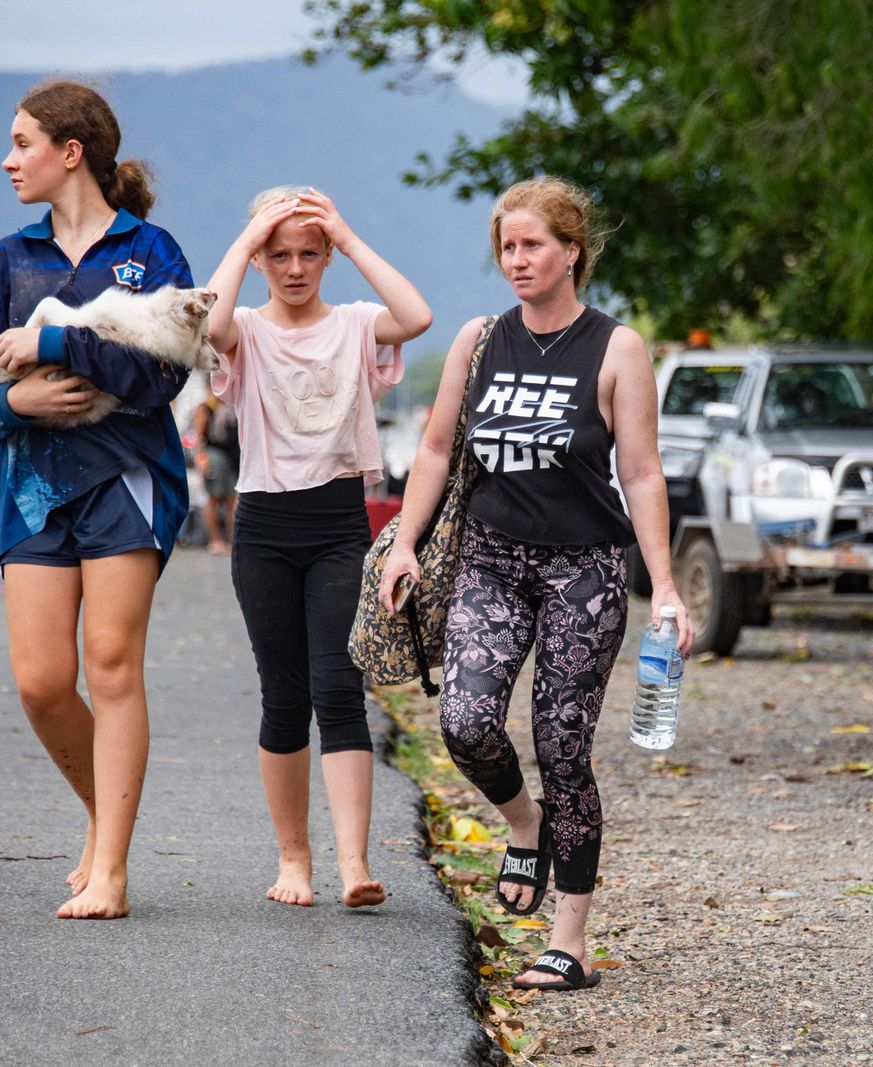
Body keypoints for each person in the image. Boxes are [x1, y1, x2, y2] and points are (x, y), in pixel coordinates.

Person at [378, 177, 692, 991]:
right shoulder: (481, 340)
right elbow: (439, 449)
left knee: (563, 746)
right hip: (491, 559)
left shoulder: (616, 347)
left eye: (533, 246)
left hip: (584, 569)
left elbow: (643, 472)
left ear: (572, 253)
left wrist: (665, 587)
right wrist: (403, 545)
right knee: (466, 720)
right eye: (508, 248)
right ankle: (526, 825)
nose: (518, 260)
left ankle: (571, 938)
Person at [0, 80, 196, 920]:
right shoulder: (5, 259)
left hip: (129, 479)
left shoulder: (152, 249)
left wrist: (60, 341)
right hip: (32, 490)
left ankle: (114, 872)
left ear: (71, 152)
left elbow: (166, 371)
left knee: (113, 664)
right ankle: (103, 817)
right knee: (43, 681)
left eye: (22, 143)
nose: (8, 159)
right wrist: (11, 403)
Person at [203, 186, 430, 908]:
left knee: (340, 690)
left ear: (327, 256)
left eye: (308, 253)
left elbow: (418, 316)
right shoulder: (243, 328)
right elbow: (204, 321)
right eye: (279, 255)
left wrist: (349, 232)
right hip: (264, 527)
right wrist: (246, 240)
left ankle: (355, 863)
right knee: (284, 696)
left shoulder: (360, 325)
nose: (294, 268)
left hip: (338, 523)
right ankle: (293, 859)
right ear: (261, 259)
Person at [191, 389, 239, 555]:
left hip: (235, 455)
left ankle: (234, 542)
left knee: (234, 500)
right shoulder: (207, 406)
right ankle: (215, 540)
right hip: (214, 454)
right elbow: (198, 436)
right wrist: (201, 457)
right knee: (214, 497)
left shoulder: (235, 403)